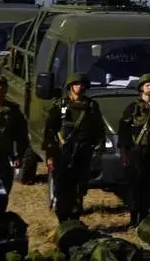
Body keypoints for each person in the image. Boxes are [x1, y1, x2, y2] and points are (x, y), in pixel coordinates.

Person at [42, 73, 106, 222]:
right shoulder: (60, 105)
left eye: (82, 85)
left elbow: (98, 130)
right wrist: (50, 155)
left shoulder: (91, 106)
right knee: (62, 188)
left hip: (83, 152)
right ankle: (63, 220)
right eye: (76, 84)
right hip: (63, 153)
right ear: (70, 86)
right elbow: (50, 131)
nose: (80, 87)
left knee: (79, 187)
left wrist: (98, 150)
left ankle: (75, 218)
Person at [116, 73, 150, 226]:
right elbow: (123, 131)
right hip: (136, 152)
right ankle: (134, 218)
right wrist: (124, 153)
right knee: (135, 186)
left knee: (149, 186)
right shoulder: (132, 108)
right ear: (141, 88)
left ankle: (145, 217)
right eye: (147, 85)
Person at [0, 75, 29, 202]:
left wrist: (19, 155)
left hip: (1, 162)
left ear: (6, 91)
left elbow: (21, 135)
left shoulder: (12, 111)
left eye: (1, 90)